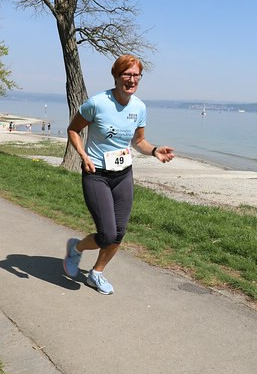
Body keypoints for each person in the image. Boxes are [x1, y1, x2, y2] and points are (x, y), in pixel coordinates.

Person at [63, 54, 174, 295]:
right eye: (127, 74)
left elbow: (139, 141)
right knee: (107, 234)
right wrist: (83, 155)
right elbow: (73, 130)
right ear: (116, 76)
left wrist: (154, 150)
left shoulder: (139, 107)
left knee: (119, 232)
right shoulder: (96, 103)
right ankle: (76, 248)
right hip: (97, 175)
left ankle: (96, 273)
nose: (132, 79)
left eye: (136, 75)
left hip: (123, 174)